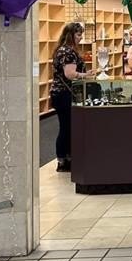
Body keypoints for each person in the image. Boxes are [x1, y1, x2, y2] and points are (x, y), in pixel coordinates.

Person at [50, 22, 87, 172]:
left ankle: (65, 158)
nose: (80, 37)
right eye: (78, 35)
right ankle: (64, 160)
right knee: (66, 128)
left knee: (67, 127)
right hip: (65, 94)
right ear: (70, 35)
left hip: (60, 94)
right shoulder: (67, 52)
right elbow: (70, 74)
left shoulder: (62, 49)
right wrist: (86, 75)